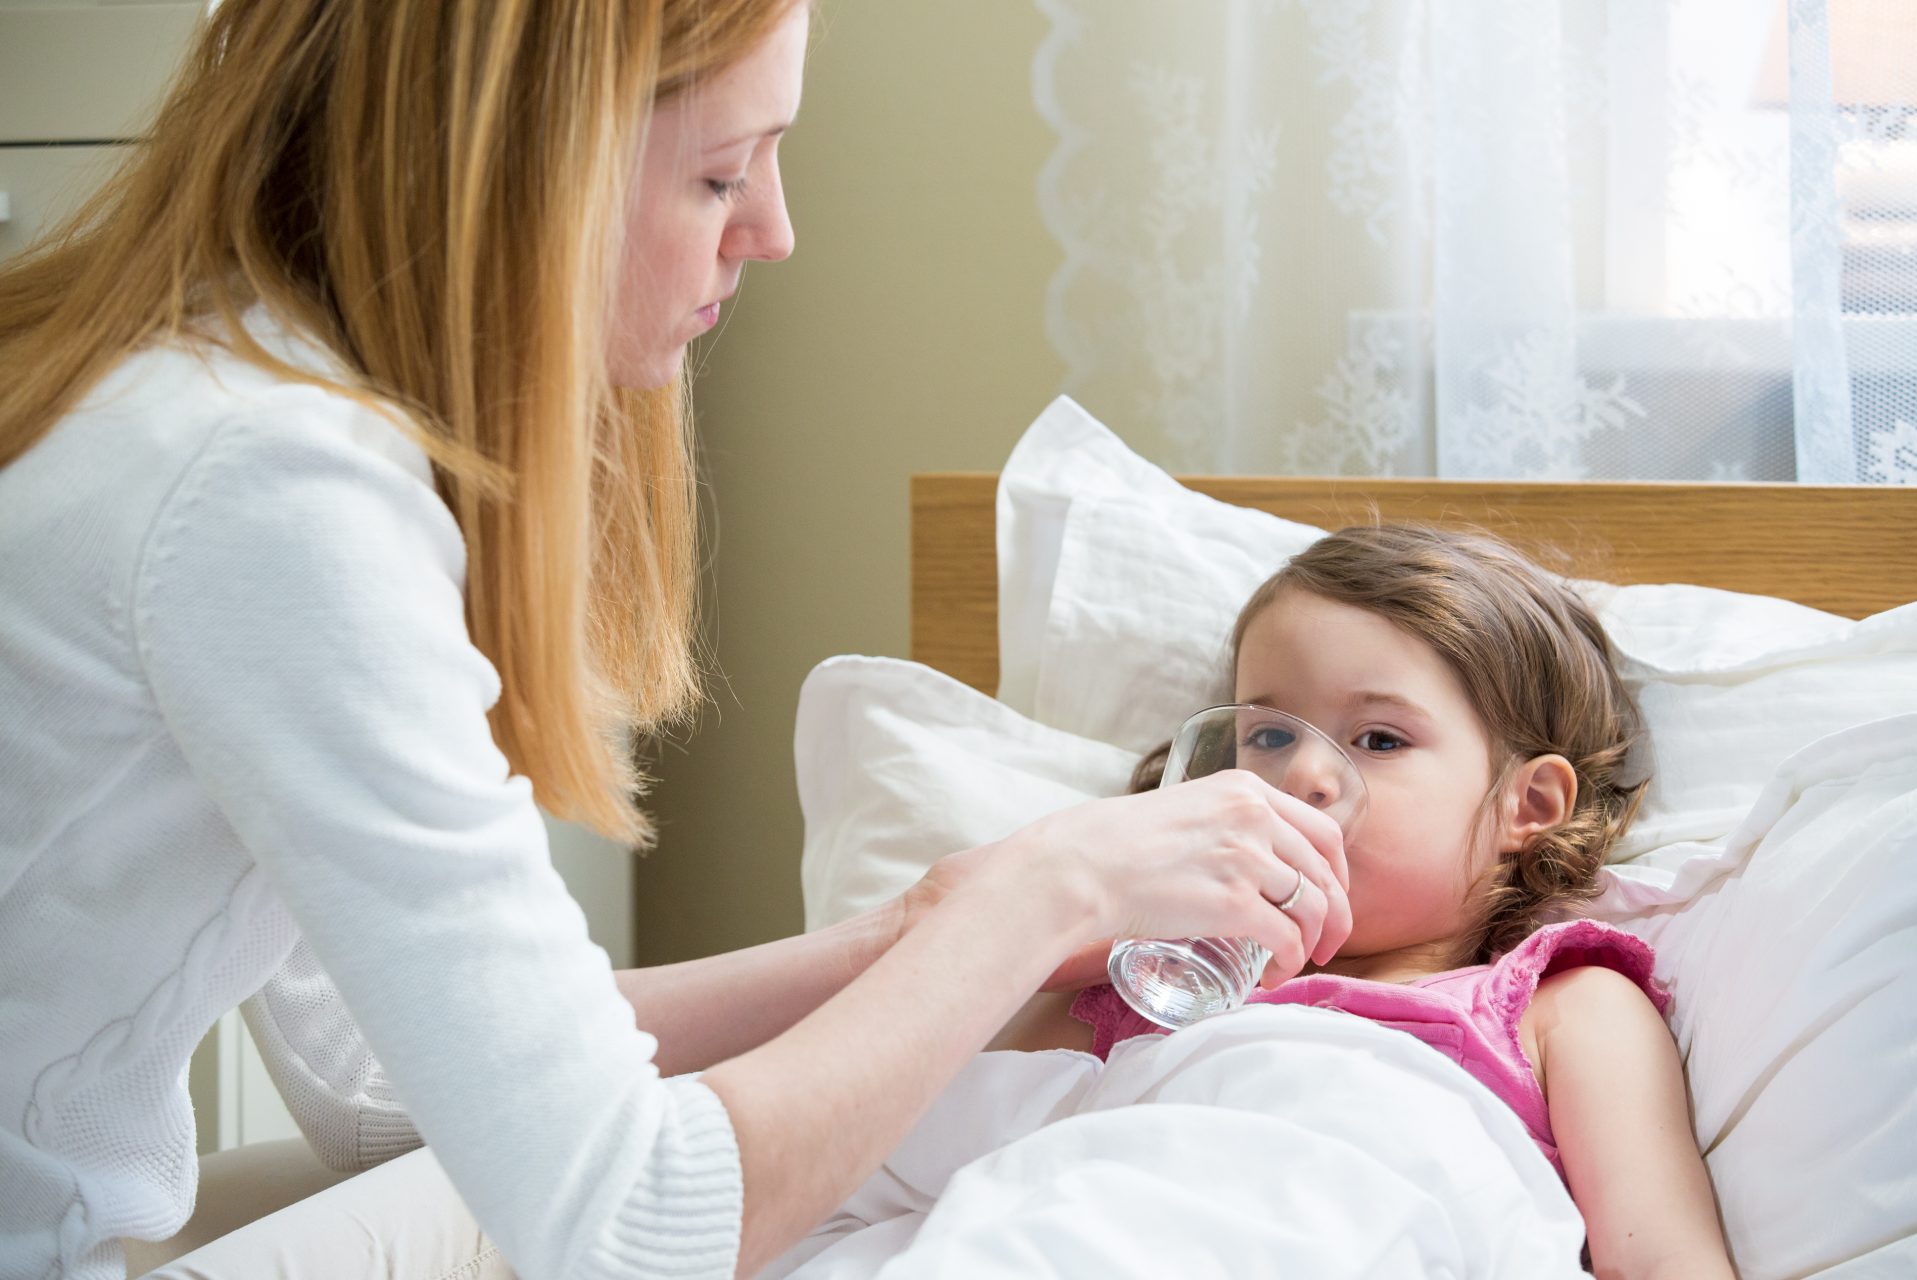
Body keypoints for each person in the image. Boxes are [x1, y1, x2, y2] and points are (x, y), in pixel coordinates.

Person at [0, 3, 1356, 1279]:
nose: (774, 230)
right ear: (522, 168)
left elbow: (368, 1080)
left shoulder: (207, 392)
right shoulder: (276, 488)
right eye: (721, 173)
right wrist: (1047, 890)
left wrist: (918, 930)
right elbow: (633, 1230)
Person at [989, 524, 1739, 1278]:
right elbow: (968, 1144)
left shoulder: (1563, 1010)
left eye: (1379, 740)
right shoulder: (1149, 980)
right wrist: (1073, 930)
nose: (1302, 777)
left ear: (1528, 805)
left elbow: (1662, 1260)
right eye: (1270, 737)